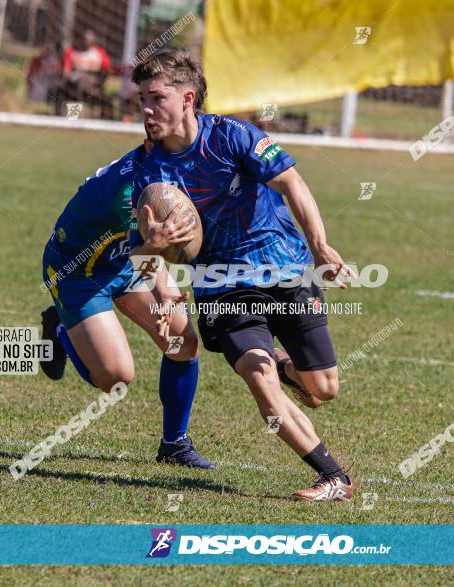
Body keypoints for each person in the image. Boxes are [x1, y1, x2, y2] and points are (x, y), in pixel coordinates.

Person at [129, 49, 354, 502]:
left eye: (156, 97)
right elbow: (143, 248)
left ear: (188, 97)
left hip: (285, 267)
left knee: (322, 389)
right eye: (142, 100)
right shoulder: (147, 171)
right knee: (258, 377)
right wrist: (160, 278)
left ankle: (293, 369)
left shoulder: (233, 136)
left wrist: (320, 245)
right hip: (221, 286)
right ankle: (334, 477)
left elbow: (291, 181)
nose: (147, 109)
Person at [38, 137, 214, 469]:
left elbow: (146, 252)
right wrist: (162, 292)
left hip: (124, 262)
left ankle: (174, 444)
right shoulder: (128, 191)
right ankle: (61, 329)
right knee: (116, 378)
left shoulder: (169, 172)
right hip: (79, 274)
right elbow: (144, 252)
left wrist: (166, 296)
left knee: (183, 341)